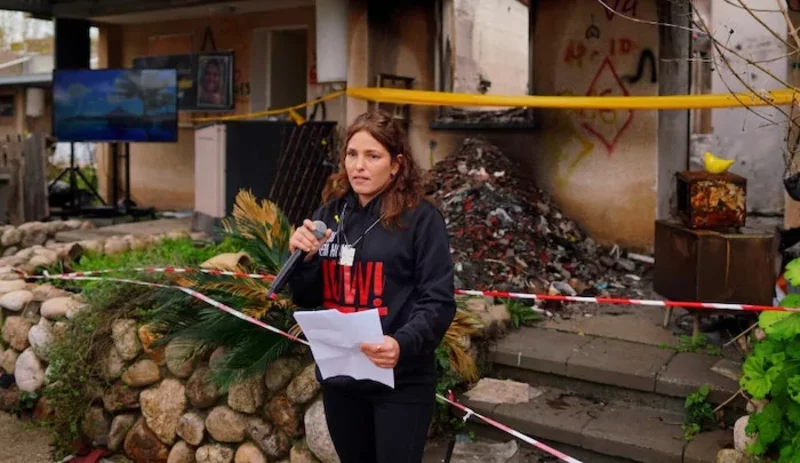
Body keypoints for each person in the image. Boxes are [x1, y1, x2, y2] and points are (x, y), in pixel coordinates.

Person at [288, 109, 456, 463]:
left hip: (400, 381)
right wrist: (304, 260)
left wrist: (402, 343)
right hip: (341, 381)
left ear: (396, 165)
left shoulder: (421, 220)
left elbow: (438, 302)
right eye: (352, 154)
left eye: (372, 156)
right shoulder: (328, 217)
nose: (359, 166)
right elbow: (306, 296)